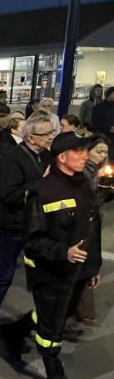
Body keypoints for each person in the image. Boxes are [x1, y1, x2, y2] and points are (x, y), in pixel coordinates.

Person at [0, 132, 100, 379]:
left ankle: (16, 329)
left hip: (78, 270)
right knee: (52, 327)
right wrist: (63, 252)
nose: (85, 156)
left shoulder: (85, 184)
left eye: (86, 150)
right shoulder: (42, 191)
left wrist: (93, 267)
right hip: (50, 271)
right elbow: (32, 241)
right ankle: (54, 374)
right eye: (79, 151)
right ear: (62, 157)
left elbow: (93, 228)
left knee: (59, 314)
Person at [0, 113, 54, 329]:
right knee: (6, 273)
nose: (51, 137)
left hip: (38, 224)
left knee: (43, 274)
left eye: (52, 132)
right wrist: (42, 183)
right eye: (46, 134)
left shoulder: (46, 155)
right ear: (30, 137)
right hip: (14, 225)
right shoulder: (12, 158)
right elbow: (11, 196)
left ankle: (45, 317)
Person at [74, 135, 113, 325]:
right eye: (99, 151)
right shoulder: (82, 171)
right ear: (87, 151)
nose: (102, 155)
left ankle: (83, 308)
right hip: (81, 223)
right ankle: (83, 310)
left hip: (94, 221)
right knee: (82, 261)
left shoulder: (100, 170)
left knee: (88, 262)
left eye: (105, 152)